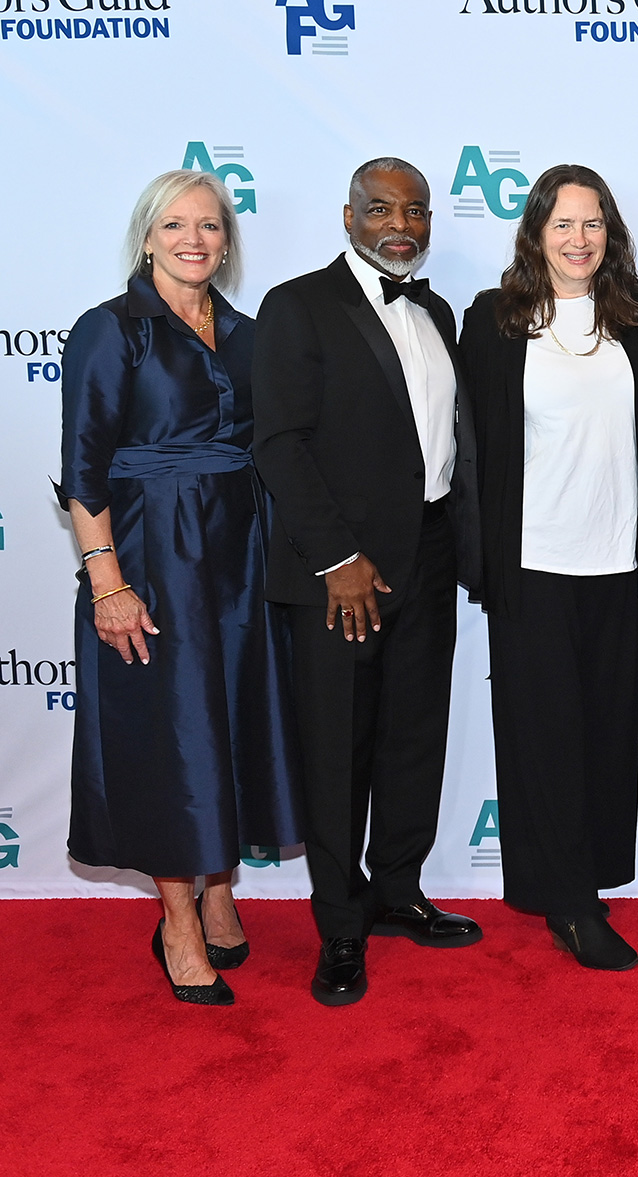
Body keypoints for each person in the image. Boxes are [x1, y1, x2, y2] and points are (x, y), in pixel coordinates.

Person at [60, 169, 302, 1006]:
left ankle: (223, 891)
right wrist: (107, 585)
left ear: (228, 240)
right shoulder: (110, 331)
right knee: (172, 738)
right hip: (151, 556)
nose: (194, 239)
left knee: (231, 720)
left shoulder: (245, 331)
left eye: (209, 225)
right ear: (147, 236)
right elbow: (82, 469)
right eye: (175, 225)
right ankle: (179, 923)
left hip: (240, 556)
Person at [253, 158, 484, 1007]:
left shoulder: (435, 310)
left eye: (416, 210)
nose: (401, 223)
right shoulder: (297, 306)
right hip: (340, 570)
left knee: (414, 732)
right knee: (338, 748)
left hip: (428, 553)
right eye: (382, 208)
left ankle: (397, 889)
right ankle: (340, 928)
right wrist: (336, 558)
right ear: (346, 217)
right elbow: (278, 443)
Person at [460, 165, 638, 970]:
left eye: (594, 223)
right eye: (564, 224)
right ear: (536, 232)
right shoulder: (496, 320)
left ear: (611, 235)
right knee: (544, 738)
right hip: (533, 563)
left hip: (620, 564)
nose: (579, 239)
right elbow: (470, 453)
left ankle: (588, 878)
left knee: (606, 734)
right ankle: (567, 903)